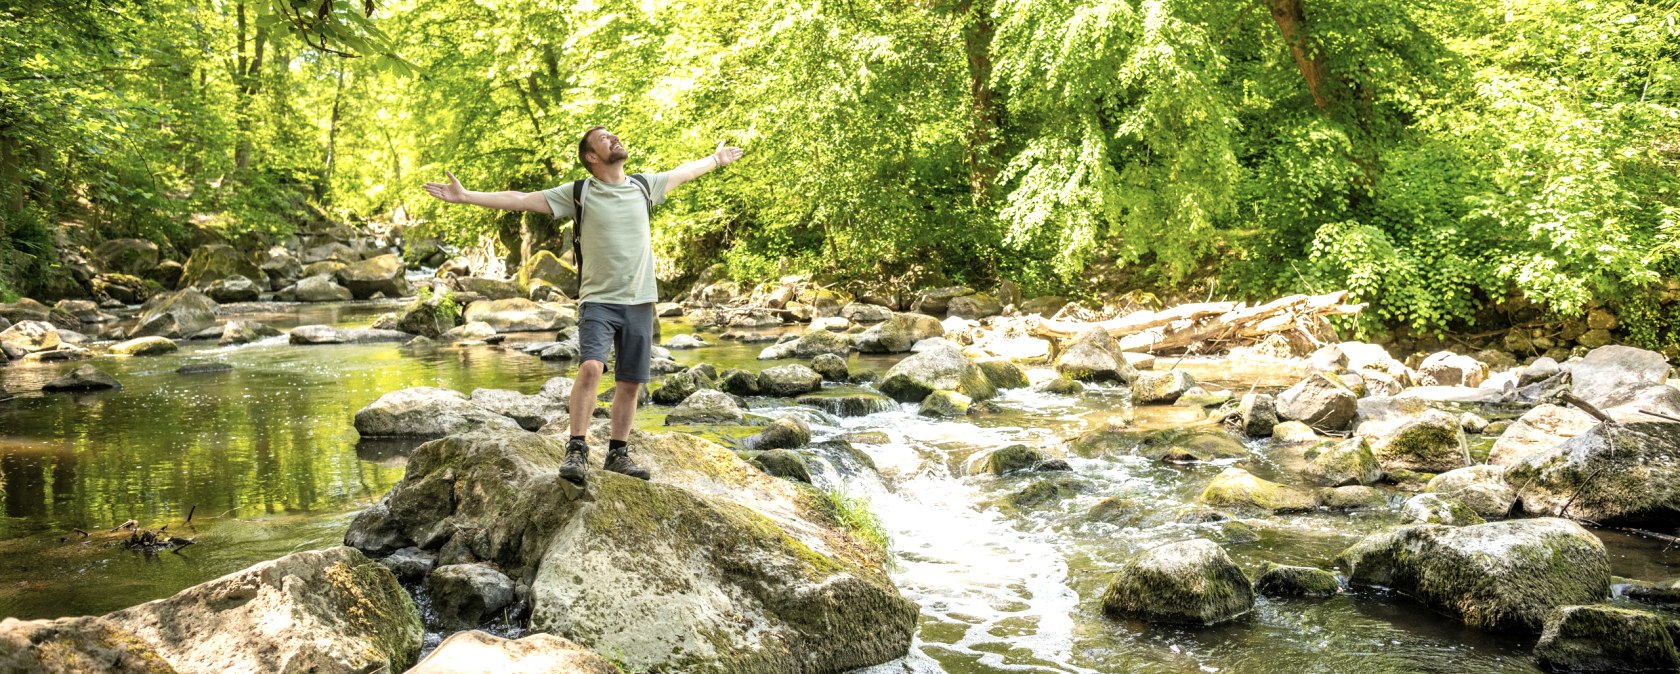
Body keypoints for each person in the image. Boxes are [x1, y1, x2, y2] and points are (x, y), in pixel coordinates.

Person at [422, 127, 744, 485]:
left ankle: (618, 454)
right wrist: (467, 196)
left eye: (614, 135)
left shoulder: (643, 185)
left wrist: (717, 159)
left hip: (640, 300)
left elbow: (684, 172)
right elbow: (521, 198)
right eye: (605, 139)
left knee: (630, 383)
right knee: (591, 366)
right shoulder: (579, 192)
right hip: (598, 300)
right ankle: (576, 447)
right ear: (592, 156)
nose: (615, 139)